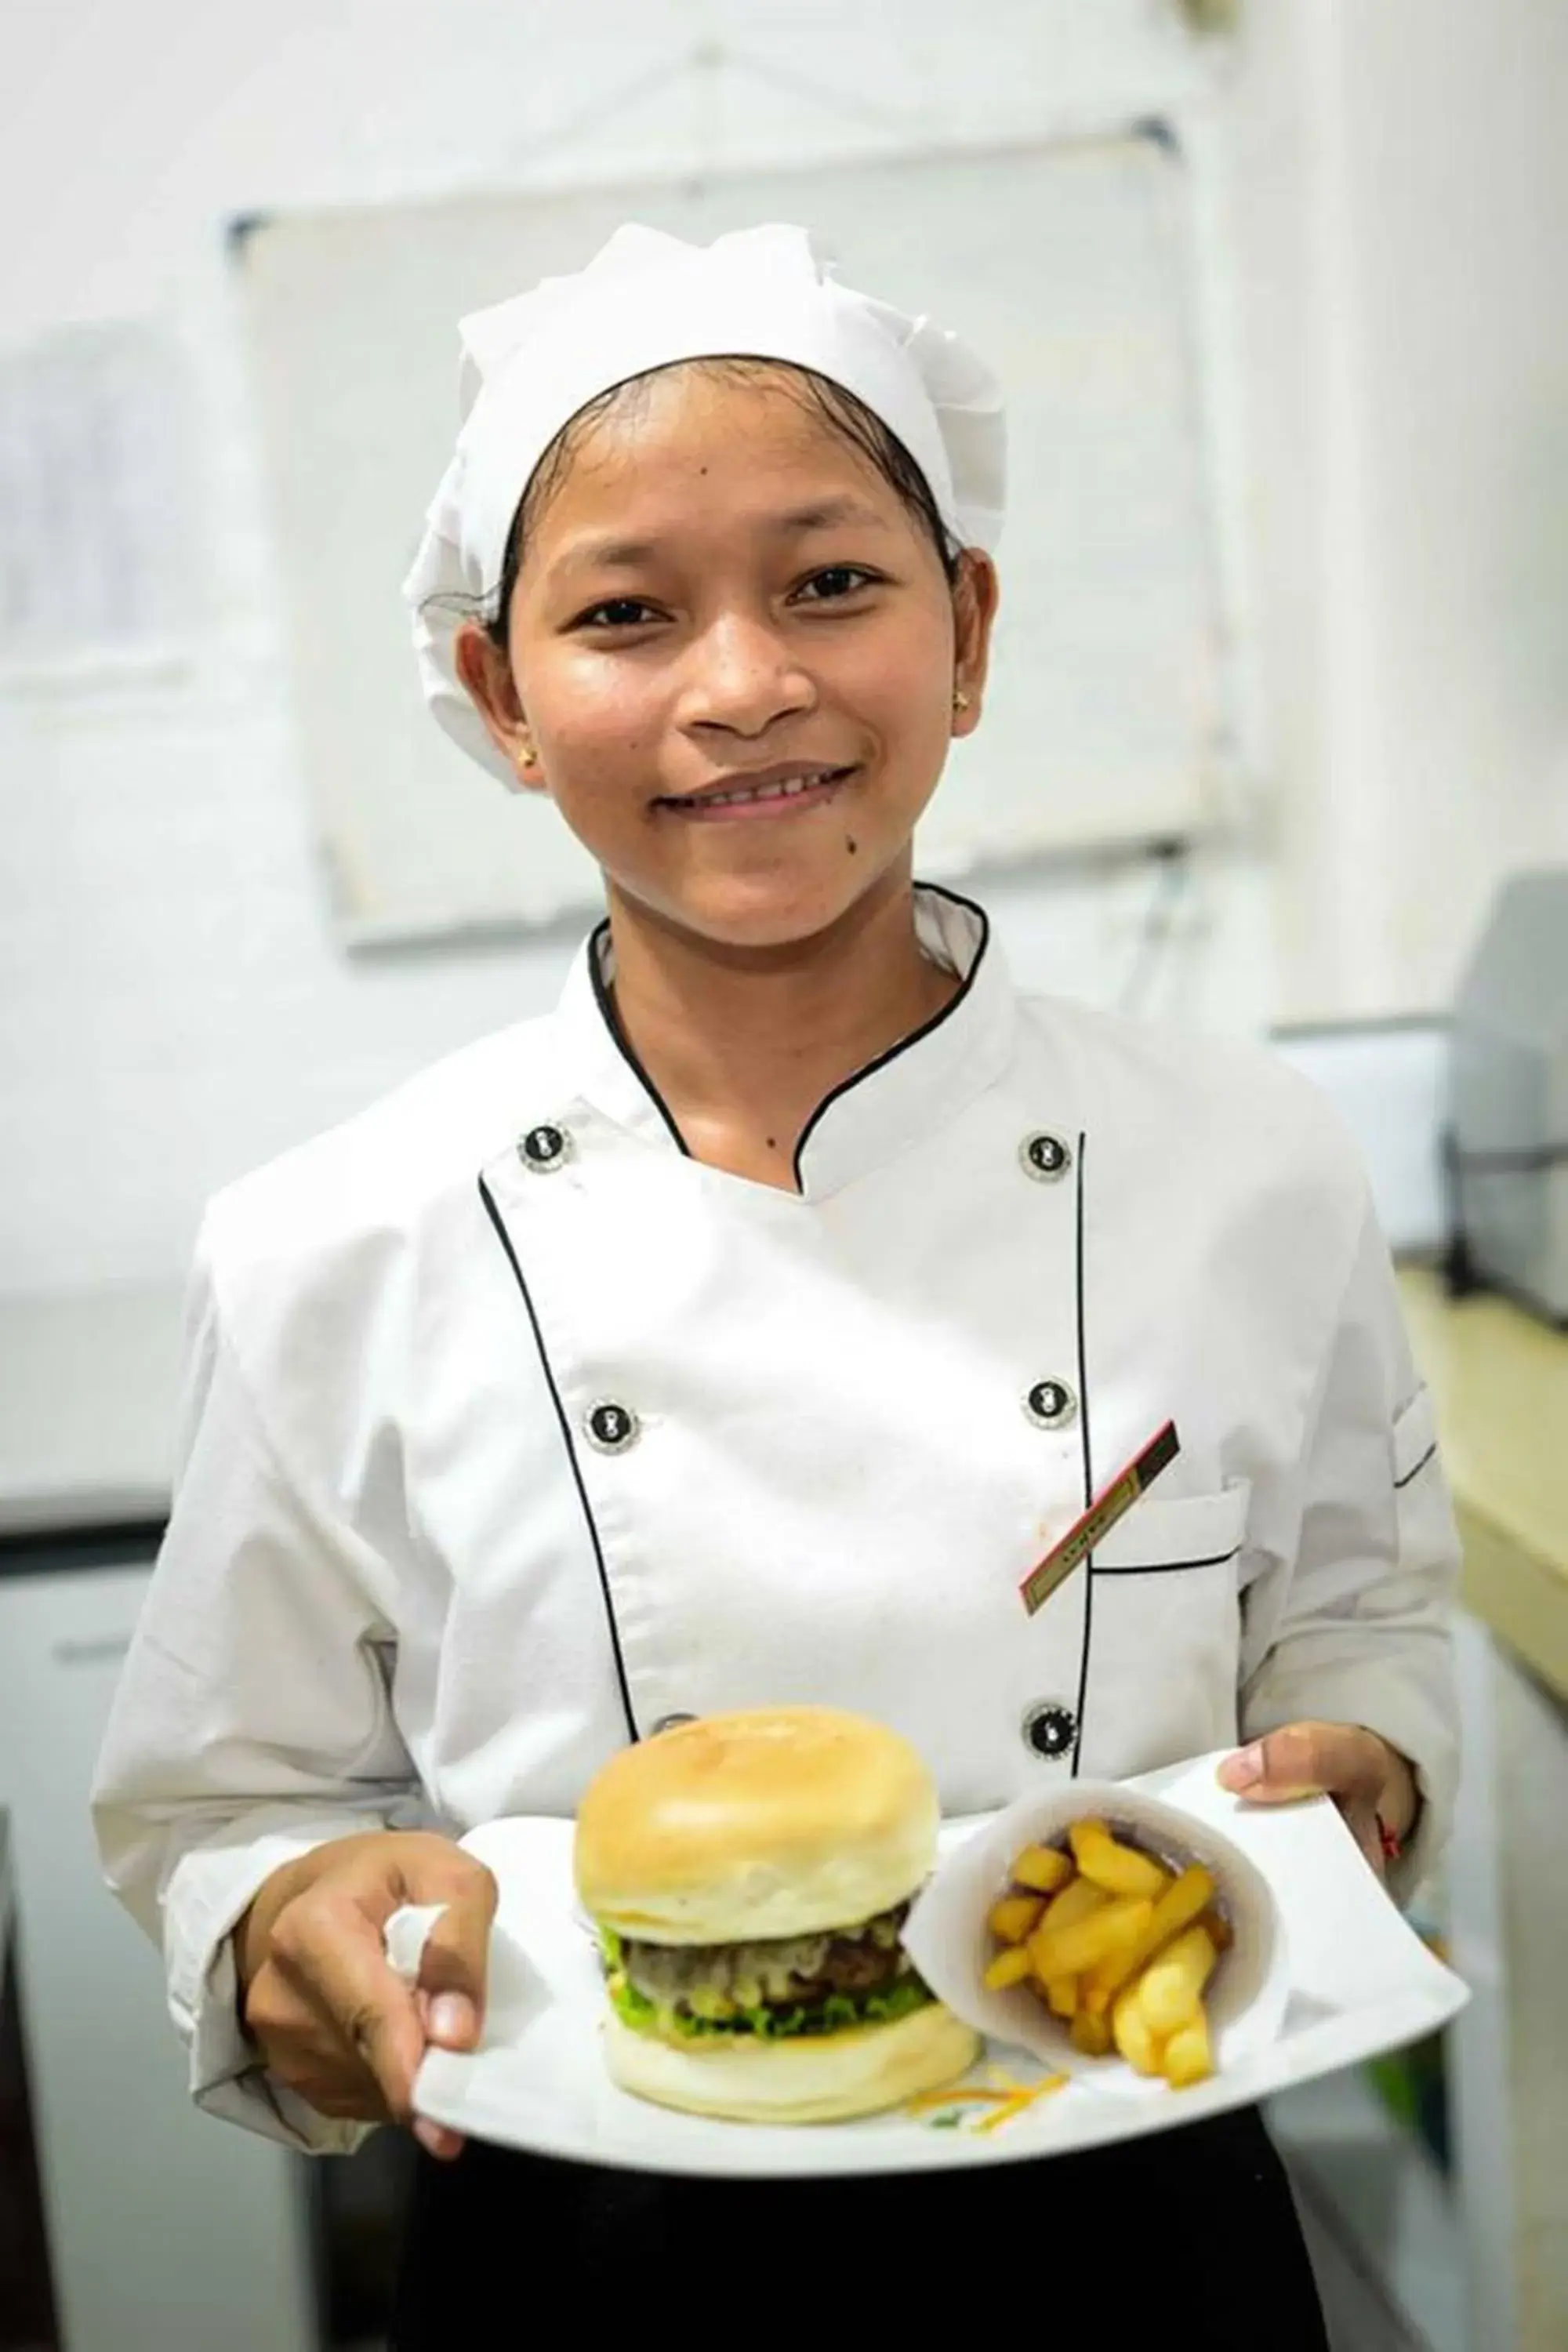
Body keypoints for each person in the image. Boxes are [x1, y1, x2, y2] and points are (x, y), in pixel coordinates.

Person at [93, 223, 1457, 2346]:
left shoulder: (1250, 1162)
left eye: (832, 581)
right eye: (626, 614)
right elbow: (223, 1796)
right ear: (501, 698)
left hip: (1142, 2221)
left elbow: (1361, 1608)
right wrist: (286, 1919)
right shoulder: (332, 1240)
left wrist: (1371, 1757)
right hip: (581, 2240)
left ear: (968, 629)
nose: (744, 685)